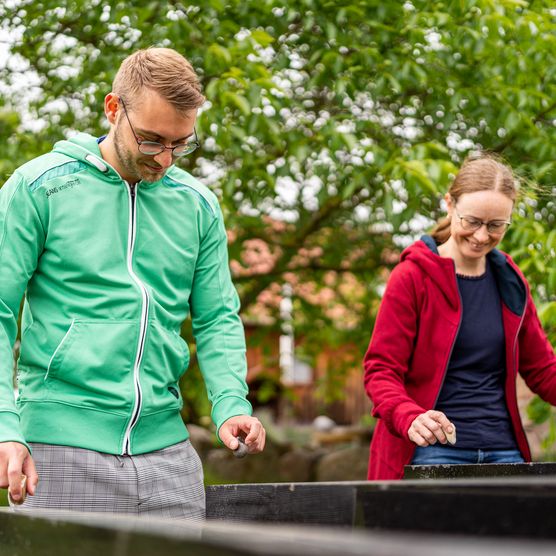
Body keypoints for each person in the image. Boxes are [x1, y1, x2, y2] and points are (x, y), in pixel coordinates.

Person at [0, 47, 265, 518]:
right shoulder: (39, 186)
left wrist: (230, 404)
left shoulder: (198, 206)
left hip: (169, 457)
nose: (165, 158)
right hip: (57, 450)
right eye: (151, 140)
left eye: (180, 144)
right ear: (112, 108)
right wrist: (5, 425)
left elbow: (217, 316)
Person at [363, 154, 556, 480]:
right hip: (429, 450)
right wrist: (410, 417)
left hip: (503, 451)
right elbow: (381, 371)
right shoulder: (412, 277)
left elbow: (542, 369)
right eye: (472, 222)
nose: (482, 236)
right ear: (449, 204)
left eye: (496, 225)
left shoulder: (510, 280)